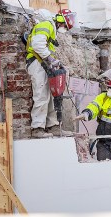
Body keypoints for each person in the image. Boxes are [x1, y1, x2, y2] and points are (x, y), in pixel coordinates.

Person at [26, 8, 76, 138]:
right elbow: (37, 45)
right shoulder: (46, 25)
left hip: (43, 64)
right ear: (60, 21)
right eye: (65, 25)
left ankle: (53, 126)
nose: (64, 28)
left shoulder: (51, 28)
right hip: (36, 63)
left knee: (53, 95)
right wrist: (50, 59)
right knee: (41, 94)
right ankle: (37, 128)